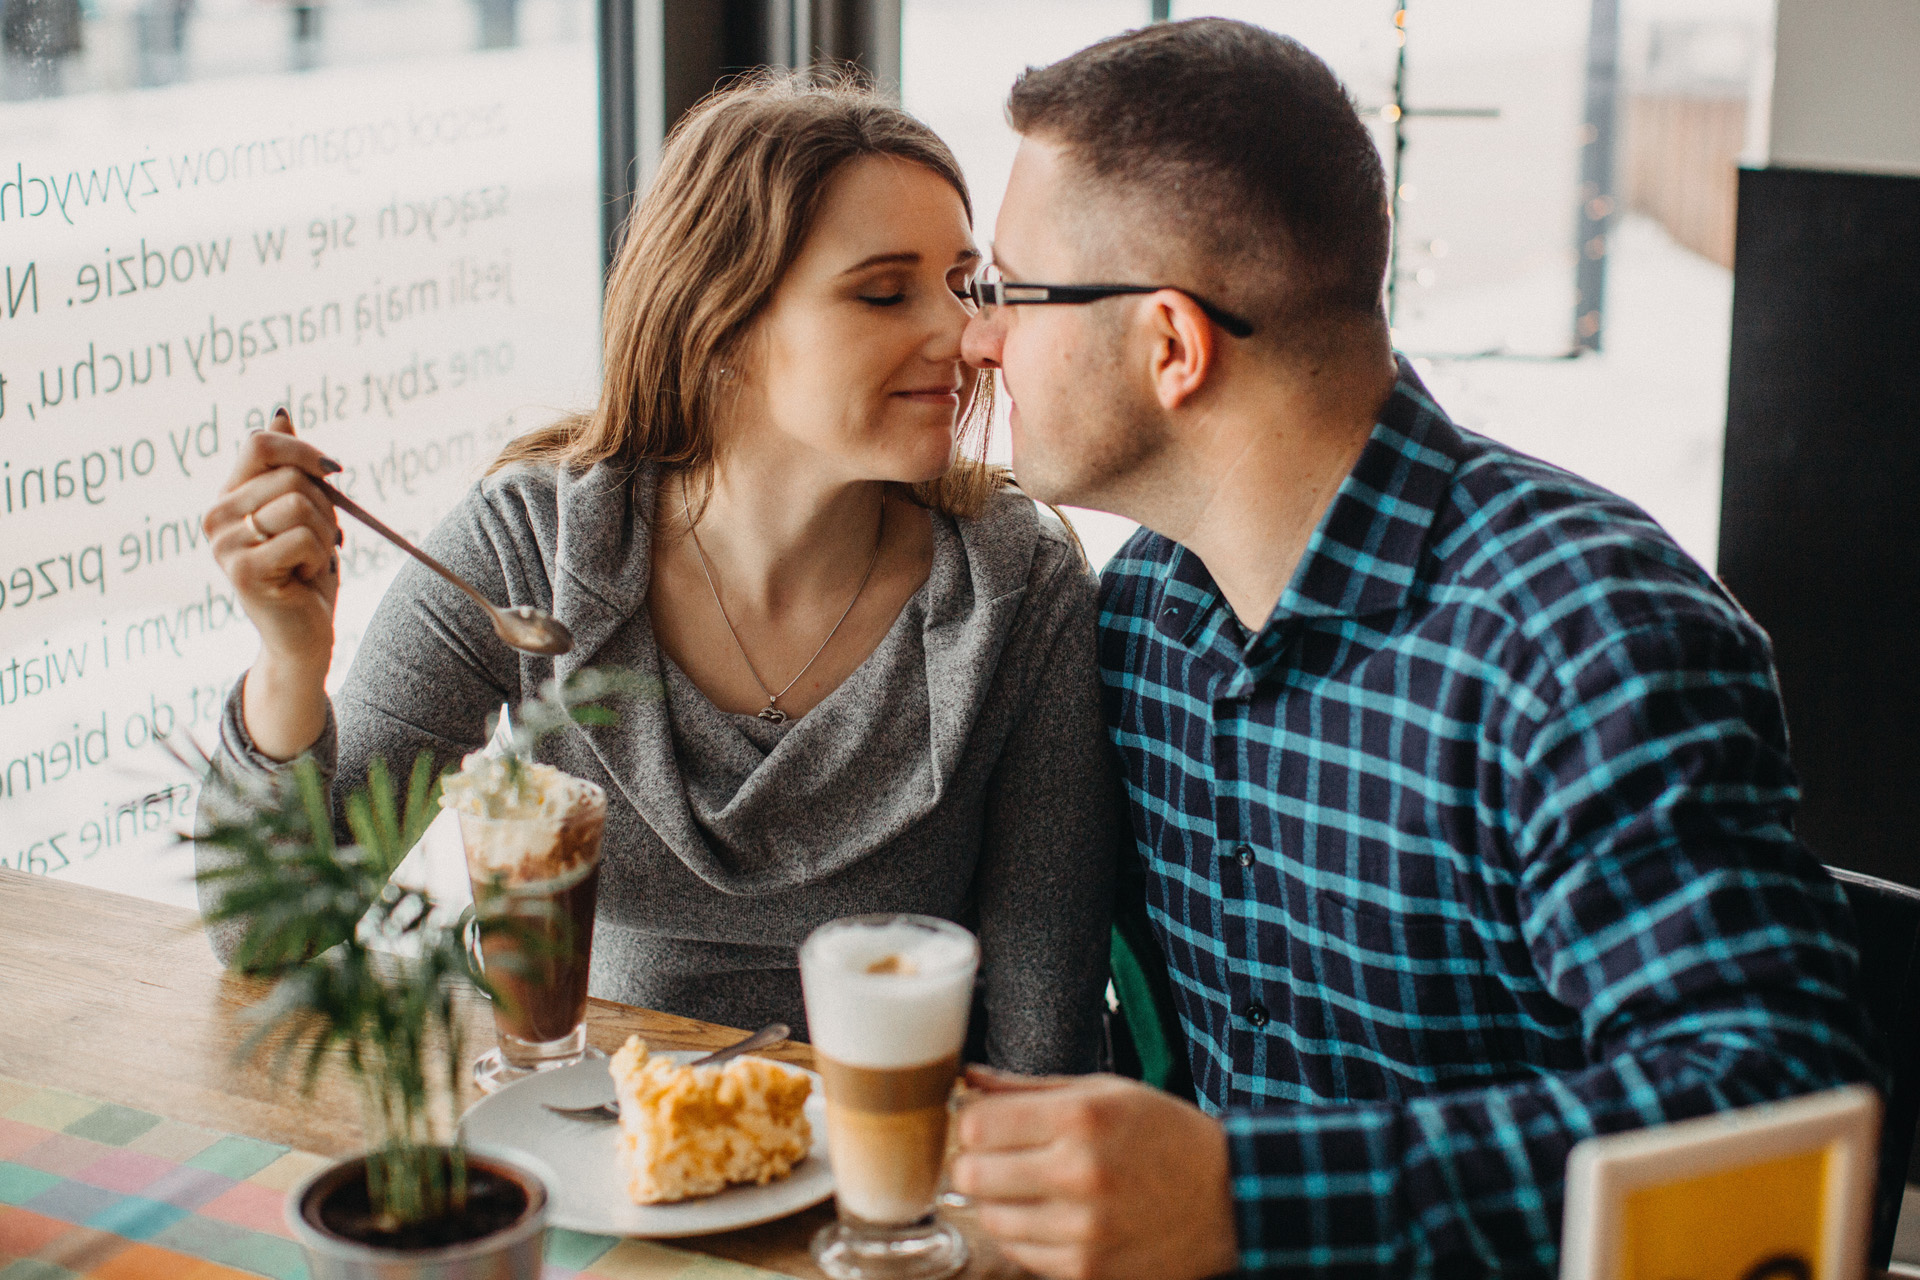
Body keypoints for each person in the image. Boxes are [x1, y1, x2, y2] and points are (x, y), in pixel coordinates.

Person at [950, 18, 1882, 1276]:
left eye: (1009, 291)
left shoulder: (1584, 637)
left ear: (1171, 344)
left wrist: (1246, 1198)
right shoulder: (1142, 616)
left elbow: (1769, 1102)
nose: (977, 340)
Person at [195, 72, 1118, 1074]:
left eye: (961, 284)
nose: (968, 337)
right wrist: (290, 661)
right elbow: (271, 936)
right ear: (719, 324)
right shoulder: (527, 549)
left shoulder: (1019, 584)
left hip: (887, 1171)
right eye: (884, 292)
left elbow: (1042, 1040)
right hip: (598, 1142)